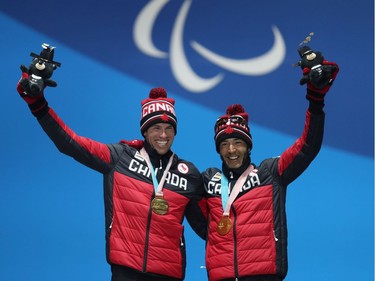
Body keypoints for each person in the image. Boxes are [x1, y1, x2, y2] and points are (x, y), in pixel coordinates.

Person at [16, 53, 206, 280]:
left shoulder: (189, 174)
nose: (163, 135)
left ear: (175, 132)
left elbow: (210, 229)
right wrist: (38, 105)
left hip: (169, 274)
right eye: (156, 128)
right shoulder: (119, 157)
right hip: (125, 271)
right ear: (144, 131)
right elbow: (70, 143)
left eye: (169, 129)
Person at [200, 52, 339, 280]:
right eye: (224, 144)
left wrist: (316, 100)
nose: (232, 150)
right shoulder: (208, 181)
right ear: (218, 149)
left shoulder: (270, 173)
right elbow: (200, 221)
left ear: (248, 146)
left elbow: (308, 147)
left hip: (263, 275)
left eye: (238, 143)